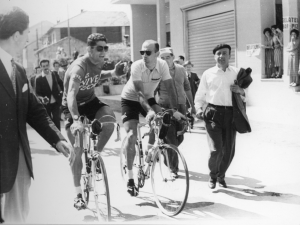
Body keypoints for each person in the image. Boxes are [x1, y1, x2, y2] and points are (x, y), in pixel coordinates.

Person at [0, 6, 75, 223]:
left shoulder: (19, 71)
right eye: (25, 36)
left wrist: (57, 138)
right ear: (16, 35)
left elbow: (34, 110)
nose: (26, 42)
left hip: (19, 164)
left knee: (17, 218)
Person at [62, 33, 125, 210]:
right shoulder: (79, 67)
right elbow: (71, 95)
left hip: (90, 102)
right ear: (89, 49)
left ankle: (94, 157)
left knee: (110, 120)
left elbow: (97, 76)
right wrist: (75, 119)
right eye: (99, 48)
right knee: (78, 147)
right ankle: (78, 195)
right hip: (72, 105)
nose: (104, 51)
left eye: (106, 48)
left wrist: (113, 73)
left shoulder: (99, 62)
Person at [120, 40, 186, 196]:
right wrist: (149, 111)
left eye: (148, 52)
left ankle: (150, 152)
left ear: (157, 54)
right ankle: (130, 179)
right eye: (142, 52)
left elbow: (171, 89)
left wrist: (174, 111)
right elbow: (139, 93)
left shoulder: (162, 65)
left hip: (148, 99)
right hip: (130, 99)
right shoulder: (137, 66)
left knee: (163, 120)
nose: (144, 55)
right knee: (132, 136)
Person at [194, 43, 247, 189]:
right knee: (216, 150)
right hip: (213, 114)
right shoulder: (208, 73)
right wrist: (198, 108)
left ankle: (221, 175)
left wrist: (240, 90)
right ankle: (212, 176)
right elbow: (200, 94)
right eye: (218, 53)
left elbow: (245, 96)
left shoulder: (236, 73)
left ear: (230, 55)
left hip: (231, 114)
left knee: (228, 151)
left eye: (224, 53)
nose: (221, 56)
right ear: (214, 56)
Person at [157, 48, 195, 176]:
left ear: (173, 57)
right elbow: (152, 91)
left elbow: (187, 87)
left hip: (181, 106)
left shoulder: (181, 69)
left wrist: (192, 105)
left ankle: (164, 149)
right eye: (162, 58)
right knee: (172, 139)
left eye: (167, 57)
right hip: (166, 107)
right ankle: (173, 168)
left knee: (180, 136)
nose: (165, 60)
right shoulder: (157, 71)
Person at [35, 59, 64, 130]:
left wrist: (63, 92)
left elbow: (60, 82)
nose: (45, 67)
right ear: (41, 67)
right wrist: (42, 98)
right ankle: (52, 138)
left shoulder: (54, 74)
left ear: (49, 66)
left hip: (56, 101)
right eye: (43, 66)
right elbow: (37, 93)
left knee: (57, 119)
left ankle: (60, 137)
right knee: (49, 121)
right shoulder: (38, 78)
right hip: (46, 103)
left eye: (47, 65)